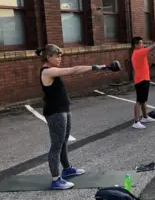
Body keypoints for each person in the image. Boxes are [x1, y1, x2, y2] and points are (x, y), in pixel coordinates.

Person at [36, 44, 120, 190]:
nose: (59, 59)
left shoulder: (52, 70)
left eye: (60, 56)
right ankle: (55, 180)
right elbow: (74, 70)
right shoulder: (47, 72)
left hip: (63, 110)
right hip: (55, 112)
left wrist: (102, 67)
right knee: (56, 145)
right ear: (48, 57)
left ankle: (67, 169)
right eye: (57, 56)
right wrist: (100, 66)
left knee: (63, 142)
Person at [131, 36, 155, 129]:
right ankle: (136, 122)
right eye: (140, 43)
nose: (142, 44)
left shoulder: (138, 52)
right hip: (141, 80)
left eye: (142, 43)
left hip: (144, 79)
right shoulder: (138, 52)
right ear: (135, 45)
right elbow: (153, 46)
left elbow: (148, 52)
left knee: (143, 100)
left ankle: (145, 117)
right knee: (139, 101)